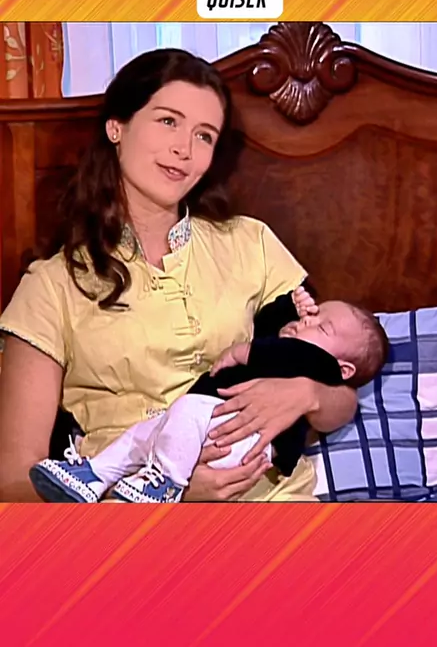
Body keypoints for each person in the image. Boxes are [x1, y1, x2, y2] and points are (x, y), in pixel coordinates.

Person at [0, 48, 358, 503]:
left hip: (278, 505)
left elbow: (341, 397)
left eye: (204, 136)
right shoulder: (51, 286)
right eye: (168, 121)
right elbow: (12, 484)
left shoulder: (252, 243)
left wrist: (307, 395)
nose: (184, 150)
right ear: (117, 126)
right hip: (128, 518)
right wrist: (176, 495)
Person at [29, 296, 388, 503]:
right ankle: (95, 474)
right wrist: (289, 305)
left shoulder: (315, 362)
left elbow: (288, 356)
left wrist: (246, 354)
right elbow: (268, 325)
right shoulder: (293, 339)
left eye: (320, 325)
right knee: (146, 432)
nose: (306, 321)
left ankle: (165, 482)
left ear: (343, 369)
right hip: (208, 422)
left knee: (186, 409)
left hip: (247, 442)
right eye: (312, 313)